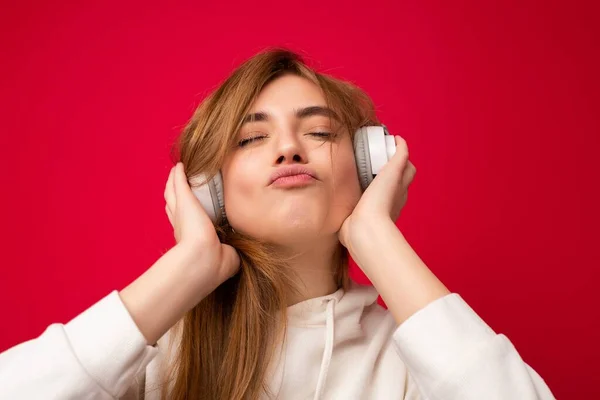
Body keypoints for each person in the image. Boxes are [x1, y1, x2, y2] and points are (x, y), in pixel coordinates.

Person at [0, 48, 555, 400]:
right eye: (251, 138)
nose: (289, 148)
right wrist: (188, 266)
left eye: (318, 132)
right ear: (208, 190)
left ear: (368, 165)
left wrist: (378, 240)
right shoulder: (155, 357)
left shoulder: (413, 362)